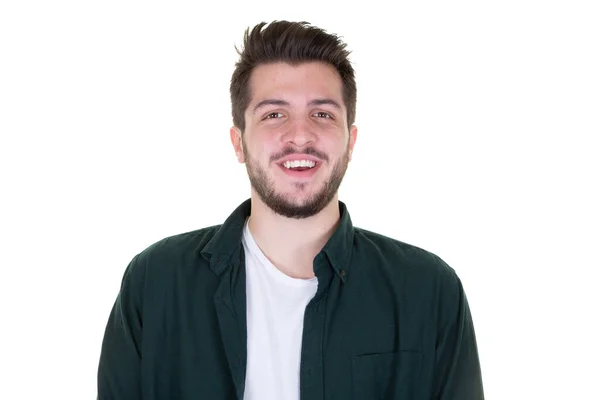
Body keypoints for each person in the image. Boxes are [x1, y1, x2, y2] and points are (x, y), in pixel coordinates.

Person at [97, 20, 485, 400]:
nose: (300, 135)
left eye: (322, 114)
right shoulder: (155, 284)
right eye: (273, 114)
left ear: (350, 142)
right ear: (238, 142)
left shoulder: (429, 291)